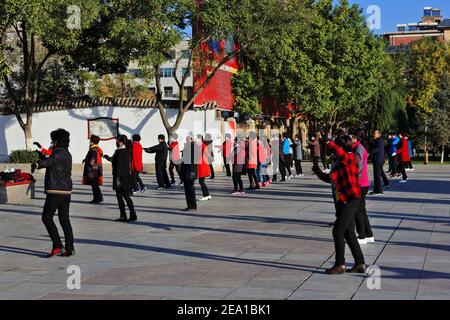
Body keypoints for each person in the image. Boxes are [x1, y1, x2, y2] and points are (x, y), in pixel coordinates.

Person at [313, 135, 365, 275]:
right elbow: (332, 179)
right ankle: (360, 263)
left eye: (337, 146)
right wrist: (318, 172)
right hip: (343, 201)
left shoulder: (350, 157)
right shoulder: (340, 162)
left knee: (337, 231)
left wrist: (329, 142)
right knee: (349, 233)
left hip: (351, 199)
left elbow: (340, 153)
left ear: (341, 147)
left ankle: (340, 264)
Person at [31, 129, 75, 257]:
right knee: (64, 219)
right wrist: (42, 158)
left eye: (53, 140)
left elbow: (50, 161)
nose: (52, 142)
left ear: (57, 141)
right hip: (66, 191)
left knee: (46, 217)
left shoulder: (58, 152)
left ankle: (58, 245)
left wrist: (37, 164)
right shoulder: (67, 153)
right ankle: (69, 247)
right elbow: (53, 162)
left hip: (56, 190)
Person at [104, 136, 137, 222]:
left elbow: (118, 165)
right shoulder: (126, 151)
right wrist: (107, 157)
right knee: (127, 197)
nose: (116, 142)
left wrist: (117, 179)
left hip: (119, 177)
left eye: (117, 141)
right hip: (125, 176)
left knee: (120, 197)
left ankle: (123, 215)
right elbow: (113, 160)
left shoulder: (119, 152)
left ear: (122, 142)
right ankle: (133, 214)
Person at [352, 130, 374, 245]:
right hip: (363, 183)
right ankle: (369, 234)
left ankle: (362, 236)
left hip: (360, 183)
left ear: (354, 138)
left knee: (358, 210)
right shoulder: (358, 148)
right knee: (362, 210)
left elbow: (358, 167)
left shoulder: (358, 149)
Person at [82, 135, 104, 204]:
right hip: (96, 169)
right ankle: (99, 197)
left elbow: (93, 158)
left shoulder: (93, 149)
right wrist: (86, 160)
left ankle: (97, 198)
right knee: (95, 185)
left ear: (91, 141)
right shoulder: (97, 148)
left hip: (93, 170)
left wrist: (90, 164)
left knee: (94, 185)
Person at [180, 135, 197, 211]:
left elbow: (192, 161)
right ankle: (190, 205)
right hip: (187, 171)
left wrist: (191, 171)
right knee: (188, 189)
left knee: (190, 189)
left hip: (189, 171)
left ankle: (192, 206)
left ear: (192, 139)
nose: (186, 140)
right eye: (186, 139)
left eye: (188, 139)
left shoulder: (193, 147)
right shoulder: (189, 146)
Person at [370, 129, 390, 195]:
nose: (373, 134)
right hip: (378, 160)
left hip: (378, 160)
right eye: (373, 133)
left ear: (379, 134)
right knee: (377, 175)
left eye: (375, 133)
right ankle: (377, 189)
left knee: (377, 176)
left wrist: (369, 152)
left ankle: (379, 191)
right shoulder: (377, 140)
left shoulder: (379, 140)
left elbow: (377, 149)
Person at [197, 135, 212, 201]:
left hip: (202, 166)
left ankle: (206, 195)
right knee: (201, 182)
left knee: (201, 182)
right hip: (202, 166)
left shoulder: (202, 146)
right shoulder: (201, 146)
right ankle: (207, 195)